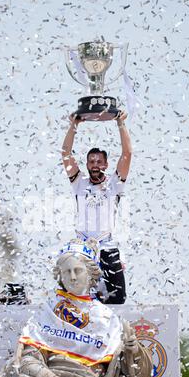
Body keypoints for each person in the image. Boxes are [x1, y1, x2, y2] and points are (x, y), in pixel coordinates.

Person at [0, 238, 152, 377]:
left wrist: (132, 349)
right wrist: (45, 375)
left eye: (78, 270)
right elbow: (28, 357)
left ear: (91, 274)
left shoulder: (107, 318)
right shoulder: (47, 312)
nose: (73, 277)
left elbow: (133, 373)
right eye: (67, 272)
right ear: (59, 276)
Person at [61, 111, 132, 304]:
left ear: (106, 164)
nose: (95, 165)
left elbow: (127, 154)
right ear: (86, 164)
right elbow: (66, 154)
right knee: (71, 296)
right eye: (91, 161)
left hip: (106, 246)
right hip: (82, 247)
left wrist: (120, 123)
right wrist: (73, 126)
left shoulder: (114, 184)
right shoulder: (79, 182)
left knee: (118, 298)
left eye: (99, 161)